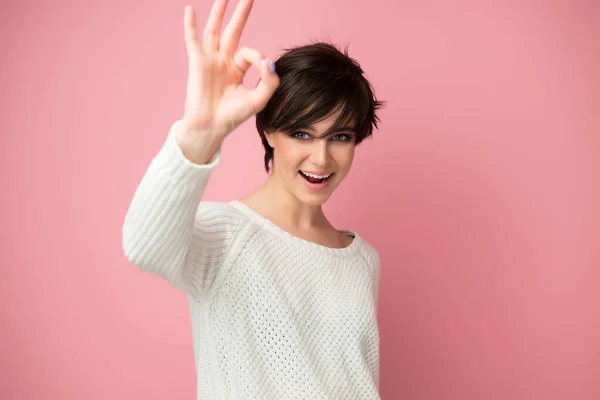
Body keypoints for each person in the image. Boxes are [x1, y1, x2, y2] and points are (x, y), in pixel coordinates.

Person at [122, 0, 384, 398]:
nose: (321, 157)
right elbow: (143, 247)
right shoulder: (224, 236)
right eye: (302, 133)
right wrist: (199, 133)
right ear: (269, 131)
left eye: (341, 136)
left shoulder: (362, 260)